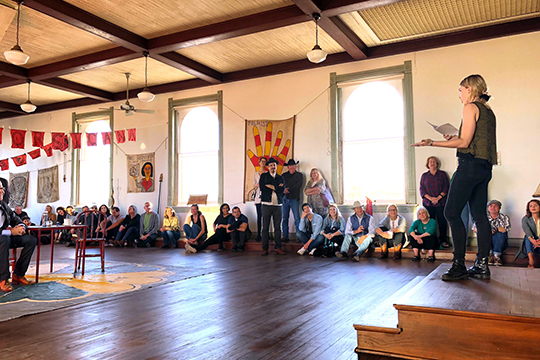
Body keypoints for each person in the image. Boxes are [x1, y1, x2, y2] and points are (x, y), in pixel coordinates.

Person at [412, 74, 497, 281]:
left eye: (460, 90)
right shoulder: (488, 111)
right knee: (479, 216)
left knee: (450, 212)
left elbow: (466, 143)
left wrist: (431, 143)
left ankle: (458, 265)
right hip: (484, 169)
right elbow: (473, 140)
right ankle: (482, 265)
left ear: (469, 88)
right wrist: (454, 138)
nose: (459, 95)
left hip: (468, 167)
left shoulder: (470, 107)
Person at [0, 183, 37, 292]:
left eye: (2, 188)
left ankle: (18, 274)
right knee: (4, 239)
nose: (2, 191)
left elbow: (16, 219)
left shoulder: (4, 205)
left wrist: (21, 226)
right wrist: (11, 232)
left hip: (4, 238)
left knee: (30, 240)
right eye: (0, 189)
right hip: (3, 238)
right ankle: (3, 279)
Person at [419, 156, 450, 248]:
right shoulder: (424, 176)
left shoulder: (442, 174)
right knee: (429, 222)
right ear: (427, 164)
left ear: (437, 164)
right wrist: (431, 199)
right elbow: (422, 190)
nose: (432, 163)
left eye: (434, 162)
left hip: (441, 203)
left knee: (442, 222)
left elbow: (446, 187)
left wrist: (438, 198)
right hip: (428, 203)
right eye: (430, 162)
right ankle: (430, 240)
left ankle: (443, 240)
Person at [259, 158, 285, 256]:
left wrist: (271, 186)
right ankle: (264, 248)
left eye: (274, 165)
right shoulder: (264, 176)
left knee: (277, 227)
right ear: (268, 167)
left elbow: (282, 190)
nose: (272, 167)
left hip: (278, 205)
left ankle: (278, 247)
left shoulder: (280, 178)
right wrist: (276, 187)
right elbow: (262, 188)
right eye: (270, 165)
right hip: (266, 204)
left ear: (276, 166)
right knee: (265, 227)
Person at [473, 200, 510, 266]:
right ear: (488, 208)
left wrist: (495, 230)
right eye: (491, 206)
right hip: (486, 243)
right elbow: (475, 228)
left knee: (500, 234)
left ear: (499, 208)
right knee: (482, 233)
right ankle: (489, 255)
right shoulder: (483, 218)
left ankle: (497, 256)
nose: (493, 208)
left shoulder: (504, 218)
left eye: (496, 206)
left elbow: (505, 229)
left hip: (500, 243)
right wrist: (488, 231)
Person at [281, 159, 303, 243]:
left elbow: (298, 186)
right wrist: (283, 190)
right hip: (285, 198)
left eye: (293, 165)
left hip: (294, 198)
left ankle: (298, 235)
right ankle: (285, 235)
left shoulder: (299, 175)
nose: (291, 167)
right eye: (290, 166)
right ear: (288, 167)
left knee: (297, 218)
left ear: (295, 166)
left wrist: (288, 189)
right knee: (285, 217)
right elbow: (281, 184)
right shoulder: (284, 175)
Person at [516, 199, 540, 269]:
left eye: (535, 205)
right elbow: (527, 231)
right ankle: (531, 261)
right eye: (531, 206)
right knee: (527, 237)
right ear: (528, 208)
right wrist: (534, 242)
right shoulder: (525, 219)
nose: (533, 207)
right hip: (532, 242)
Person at [253, 157, 267, 241]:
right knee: (259, 216)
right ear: (259, 162)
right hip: (258, 196)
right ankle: (258, 234)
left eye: (264, 162)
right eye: (262, 161)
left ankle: (266, 234)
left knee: (266, 216)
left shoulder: (267, 173)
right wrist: (258, 185)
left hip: (265, 197)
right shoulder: (255, 174)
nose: (263, 163)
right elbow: (254, 184)